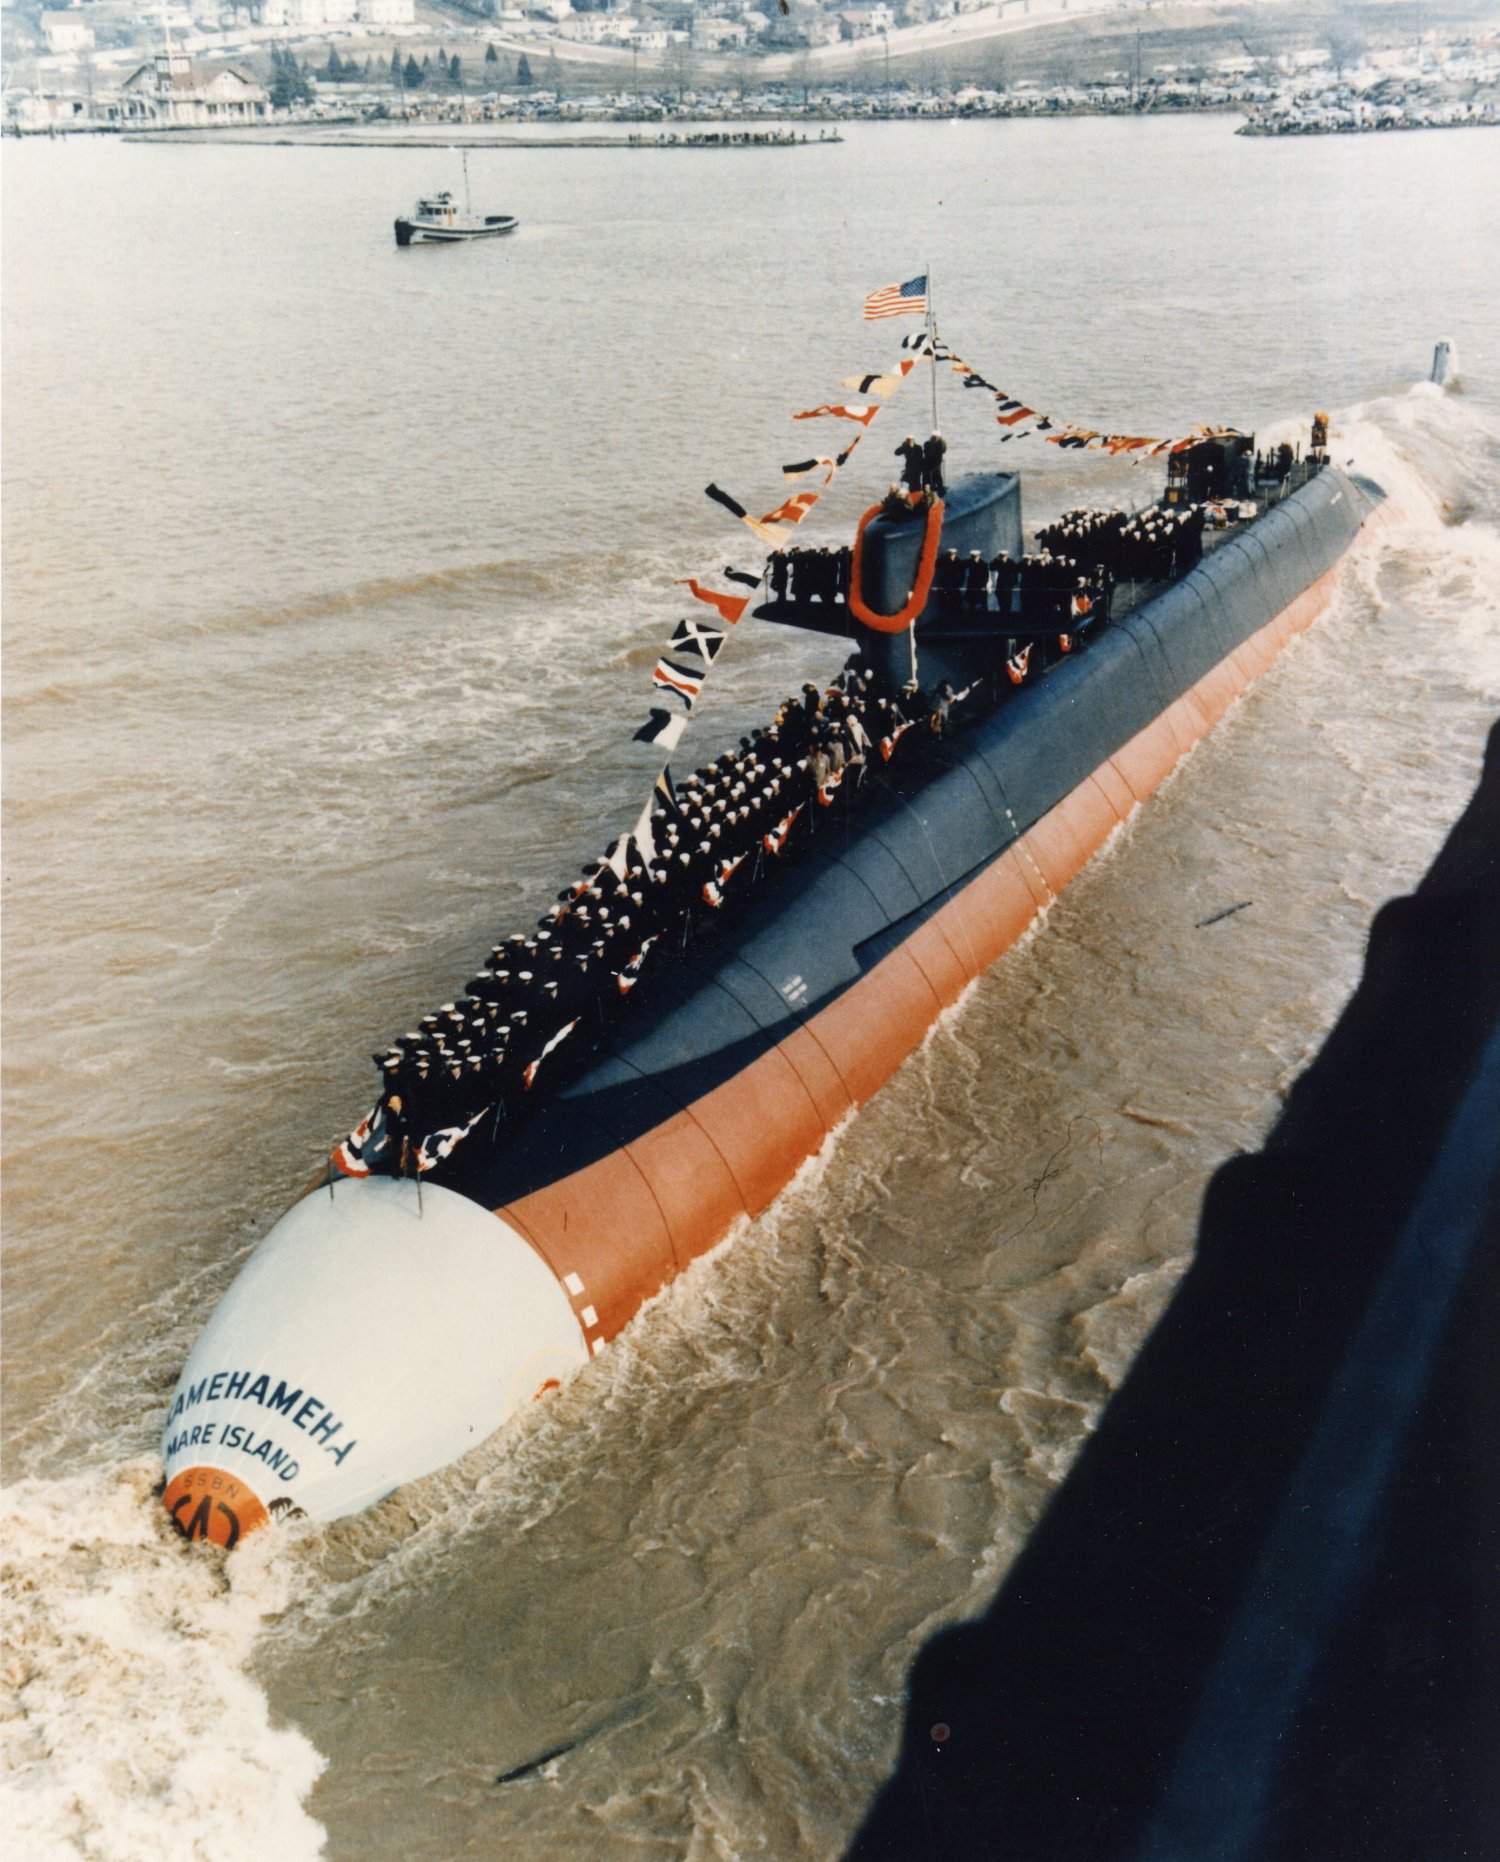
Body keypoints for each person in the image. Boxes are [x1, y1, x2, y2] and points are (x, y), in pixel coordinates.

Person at [920, 432, 946, 498]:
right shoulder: (927, 443)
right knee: (927, 481)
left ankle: (940, 494)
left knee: (937, 480)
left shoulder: (940, 444)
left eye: (936, 437)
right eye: (934, 436)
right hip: (927, 465)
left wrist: (941, 440)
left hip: (935, 466)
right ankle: (926, 495)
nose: (935, 438)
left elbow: (943, 449)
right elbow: (925, 452)